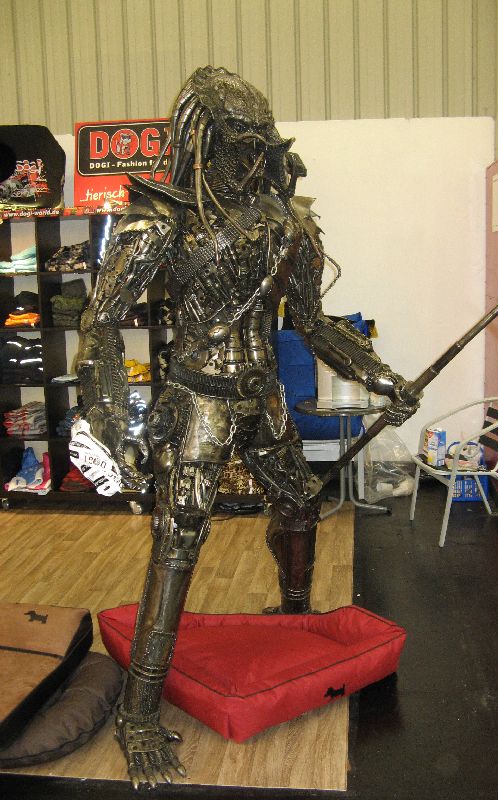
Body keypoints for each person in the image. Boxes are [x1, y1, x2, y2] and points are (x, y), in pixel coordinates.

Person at [76, 66, 415, 789]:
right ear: (204, 138)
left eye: (260, 142)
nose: (252, 158)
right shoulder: (161, 218)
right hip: (197, 400)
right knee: (178, 546)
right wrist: (112, 419)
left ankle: (295, 616)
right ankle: (138, 713)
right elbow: (101, 326)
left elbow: (314, 322)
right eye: (239, 142)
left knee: (299, 503)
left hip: (262, 395)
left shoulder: (289, 222)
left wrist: (382, 376)